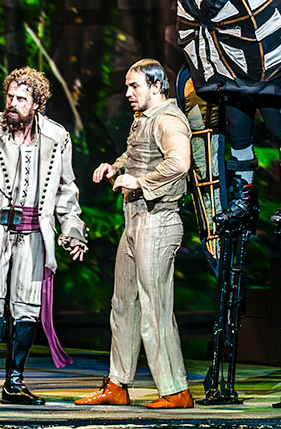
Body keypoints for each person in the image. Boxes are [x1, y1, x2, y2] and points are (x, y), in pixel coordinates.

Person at [0, 66, 87, 407]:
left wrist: (72, 231)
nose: (12, 103)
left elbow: (65, 191)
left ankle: (14, 383)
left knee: (27, 310)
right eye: (10, 96)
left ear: (38, 103)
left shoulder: (57, 138)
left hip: (33, 234)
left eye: (21, 98)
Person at [76, 59, 195, 409]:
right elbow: (135, 153)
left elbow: (179, 162)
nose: (128, 93)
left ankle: (176, 390)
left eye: (135, 86)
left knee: (155, 307)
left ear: (156, 87)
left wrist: (140, 182)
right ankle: (117, 383)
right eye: (127, 86)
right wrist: (115, 167)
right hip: (136, 220)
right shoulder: (143, 119)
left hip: (158, 221)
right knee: (123, 304)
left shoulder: (169, 119)